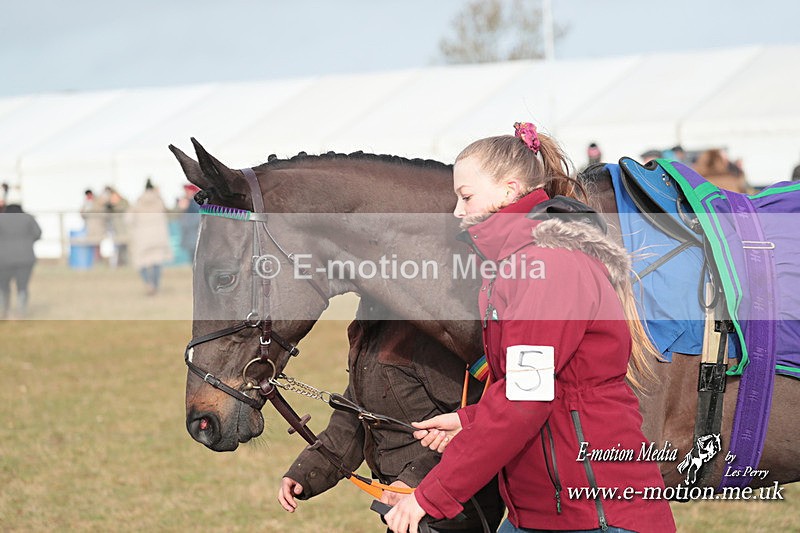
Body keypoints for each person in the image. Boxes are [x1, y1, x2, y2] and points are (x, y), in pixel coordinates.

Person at [385, 123, 676, 533]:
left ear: (509, 190)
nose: (457, 211)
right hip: (547, 509)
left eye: (466, 196)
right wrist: (470, 421)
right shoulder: (515, 264)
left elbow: (526, 398)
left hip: (597, 512)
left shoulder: (546, 265)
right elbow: (535, 387)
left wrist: (431, 495)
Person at [278, 297, 504, 532]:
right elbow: (352, 420)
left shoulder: (428, 334)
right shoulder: (367, 326)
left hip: (455, 509)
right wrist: (305, 472)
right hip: (407, 507)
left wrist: (412, 481)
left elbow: (473, 423)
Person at [126, 178, 173, 295]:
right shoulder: (159, 201)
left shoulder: (138, 202)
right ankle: (155, 285)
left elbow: (128, 219)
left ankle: (148, 283)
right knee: (157, 261)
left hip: (142, 237)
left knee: (141, 262)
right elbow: (169, 214)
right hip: (159, 236)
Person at [0, 189, 42, 318]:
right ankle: (21, 313)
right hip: (25, 258)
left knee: (3, 287)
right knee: (22, 286)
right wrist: (26, 242)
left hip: (3, 259)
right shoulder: (28, 218)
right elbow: (37, 234)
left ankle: (2, 312)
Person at [178, 183, 201, 261]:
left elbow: (195, 220)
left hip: (195, 237)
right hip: (192, 237)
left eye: (187, 190)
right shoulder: (190, 203)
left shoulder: (195, 203)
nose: (185, 192)